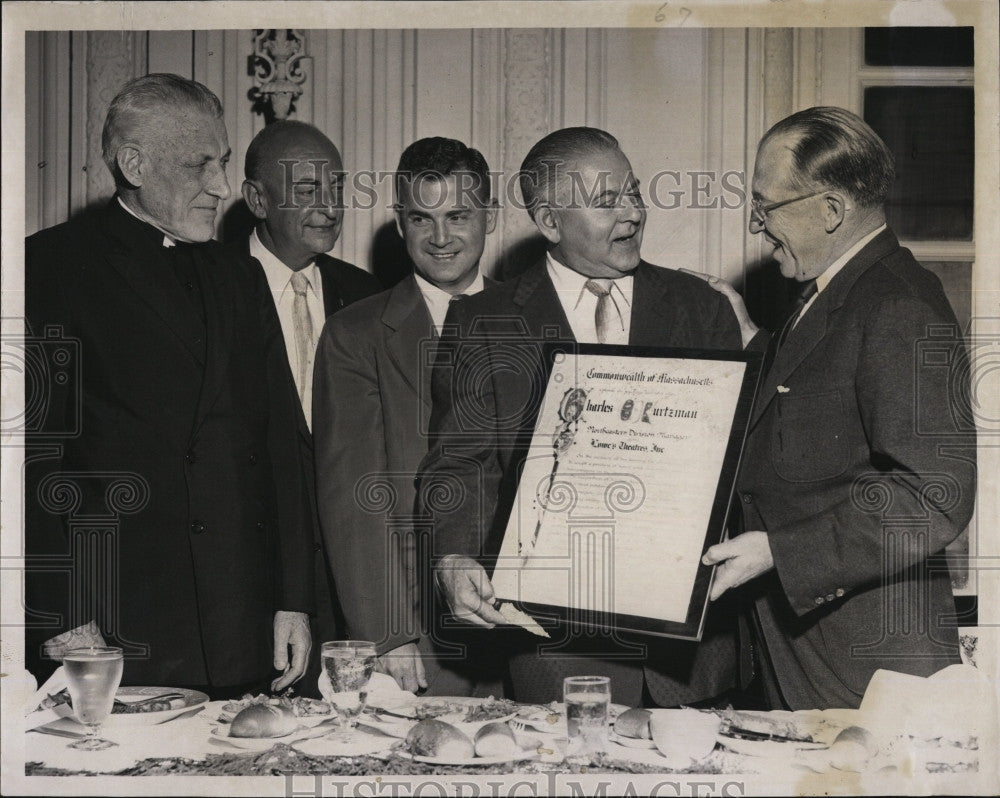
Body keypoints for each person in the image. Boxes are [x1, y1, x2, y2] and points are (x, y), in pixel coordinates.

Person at [416, 127, 757, 707]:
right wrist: (452, 556)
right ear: (549, 220)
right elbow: (460, 464)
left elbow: (742, 458)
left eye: (634, 192)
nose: (631, 214)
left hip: (692, 660)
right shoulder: (482, 320)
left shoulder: (701, 307)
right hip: (558, 650)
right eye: (606, 202)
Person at [24, 74, 313, 696]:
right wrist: (67, 623)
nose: (222, 186)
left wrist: (293, 600)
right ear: (133, 164)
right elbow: (32, 469)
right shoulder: (46, 268)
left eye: (226, 162)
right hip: (119, 621)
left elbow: (282, 447)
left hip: (243, 614)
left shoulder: (242, 277)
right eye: (200, 164)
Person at [701, 107, 976, 710]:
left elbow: (935, 495)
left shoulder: (898, 305)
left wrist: (779, 550)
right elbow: (812, 398)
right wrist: (751, 338)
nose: (757, 225)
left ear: (829, 211)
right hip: (812, 654)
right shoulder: (834, 296)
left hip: (868, 669)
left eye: (766, 206)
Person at [313, 137, 502, 694]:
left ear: (488, 217)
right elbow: (352, 497)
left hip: (526, 627)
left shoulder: (534, 316)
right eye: (422, 218)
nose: (441, 238)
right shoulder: (355, 333)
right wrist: (387, 634)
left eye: (458, 216)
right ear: (400, 223)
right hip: (420, 629)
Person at [235, 121, 381, 694]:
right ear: (256, 199)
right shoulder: (209, 287)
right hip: (253, 586)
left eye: (337, 189)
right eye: (306, 191)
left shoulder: (366, 294)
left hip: (349, 583)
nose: (329, 208)